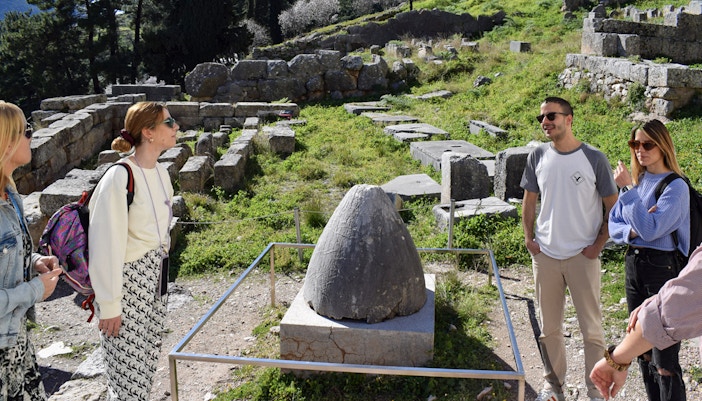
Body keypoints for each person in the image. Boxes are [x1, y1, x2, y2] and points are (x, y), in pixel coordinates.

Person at [521, 96, 618, 401]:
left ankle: (595, 391)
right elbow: (529, 200)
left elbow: (612, 208)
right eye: (541, 118)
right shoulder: (537, 156)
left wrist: (598, 246)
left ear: (569, 119)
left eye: (551, 116)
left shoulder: (594, 158)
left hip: (582, 256)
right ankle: (553, 386)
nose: (545, 122)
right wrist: (529, 239)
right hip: (546, 255)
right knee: (549, 329)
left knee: (591, 330)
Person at [88, 101, 176, 400]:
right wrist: (109, 304)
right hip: (127, 285)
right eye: (169, 122)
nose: (176, 126)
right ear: (148, 132)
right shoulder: (120, 177)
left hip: (156, 281)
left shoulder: (161, 173)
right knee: (126, 381)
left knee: (145, 369)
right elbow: (104, 244)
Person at [608, 119, 689, 401]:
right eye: (635, 144)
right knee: (641, 350)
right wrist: (636, 225)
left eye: (647, 144)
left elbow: (653, 230)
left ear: (663, 145)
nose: (640, 150)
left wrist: (630, 198)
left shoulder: (676, 188)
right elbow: (615, 226)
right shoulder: (639, 182)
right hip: (635, 265)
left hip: (662, 268)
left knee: (664, 357)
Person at [0, 101, 62, 399]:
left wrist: (35, 261)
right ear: (6, 140)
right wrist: (35, 290)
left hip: (16, 341)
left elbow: (10, 256)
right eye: (26, 130)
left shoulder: (11, 194)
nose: (32, 135)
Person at [590, 245, 702, 400]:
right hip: (637, 260)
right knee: (646, 359)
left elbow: (667, 313)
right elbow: (617, 226)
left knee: (665, 364)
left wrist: (616, 359)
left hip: (663, 261)